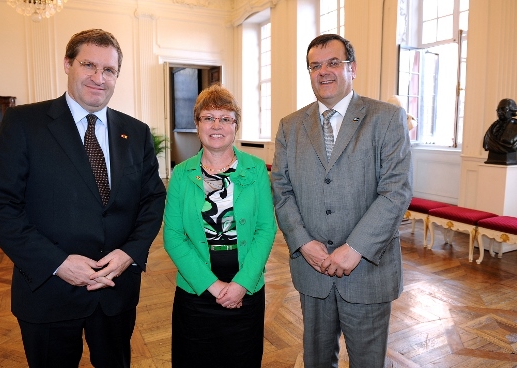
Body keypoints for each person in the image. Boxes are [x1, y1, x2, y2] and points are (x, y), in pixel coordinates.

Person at [0, 29, 166, 368]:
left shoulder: (135, 132)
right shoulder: (24, 123)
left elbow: (152, 201)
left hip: (115, 289)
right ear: (67, 64)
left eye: (109, 70)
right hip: (48, 290)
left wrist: (130, 253)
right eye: (88, 65)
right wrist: (57, 263)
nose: (99, 78)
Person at [271, 34, 413, 368]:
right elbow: (280, 188)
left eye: (333, 62)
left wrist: (355, 248)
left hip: (367, 270)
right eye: (315, 65)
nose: (324, 72)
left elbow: (396, 191)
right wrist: (303, 243)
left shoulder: (386, 118)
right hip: (313, 268)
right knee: (316, 360)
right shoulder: (290, 126)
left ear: (353, 68)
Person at [163, 84, 277, 368]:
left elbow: (266, 229)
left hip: (246, 286)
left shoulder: (255, 168)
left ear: (235, 126)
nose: (217, 125)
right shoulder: (181, 173)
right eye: (208, 117)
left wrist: (241, 284)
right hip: (196, 288)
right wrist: (212, 286)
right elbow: (173, 236)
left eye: (226, 118)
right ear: (197, 124)